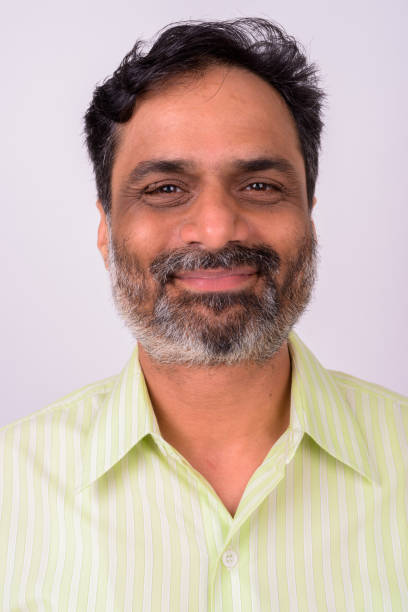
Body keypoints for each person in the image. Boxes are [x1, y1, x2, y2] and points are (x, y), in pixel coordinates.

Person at [0, 17, 407, 611]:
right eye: (165, 189)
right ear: (106, 229)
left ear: (309, 219)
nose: (216, 229)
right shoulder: (11, 487)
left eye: (260, 186)